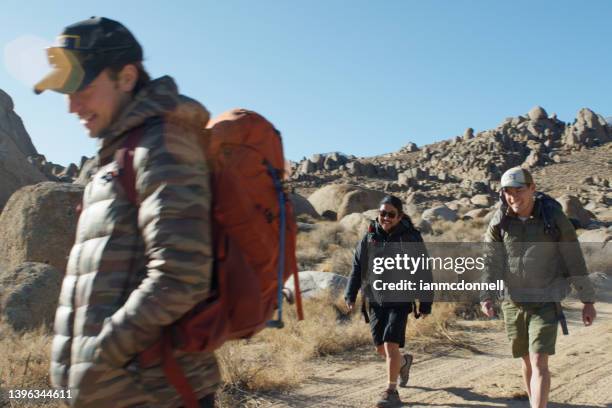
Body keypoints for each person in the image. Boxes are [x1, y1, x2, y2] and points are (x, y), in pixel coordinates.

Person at [35, 17, 218, 407]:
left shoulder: (163, 146)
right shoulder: (119, 156)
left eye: (82, 86)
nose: (71, 105)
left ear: (127, 76)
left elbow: (182, 274)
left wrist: (101, 355)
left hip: (160, 395)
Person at [480, 167, 596, 408]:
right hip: (514, 301)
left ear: (532, 188)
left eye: (519, 190)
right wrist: (487, 296)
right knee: (527, 363)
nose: (513, 197)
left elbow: (574, 258)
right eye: (507, 192)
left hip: (546, 300)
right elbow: (491, 260)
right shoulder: (500, 220)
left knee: (539, 360)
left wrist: (588, 300)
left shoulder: (553, 218)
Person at [345, 195, 433, 408]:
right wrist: (351, 293)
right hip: (375, 299)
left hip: (401, 299)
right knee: (380, 348)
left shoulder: (411, 238)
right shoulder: (370, 236)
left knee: (390, 343)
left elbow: (423, 271)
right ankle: (403, 362)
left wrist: (425, 302)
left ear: (399, 216)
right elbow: (358, 267)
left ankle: (391, 391)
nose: (385, 217)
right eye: (382, 213)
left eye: (390, 214)